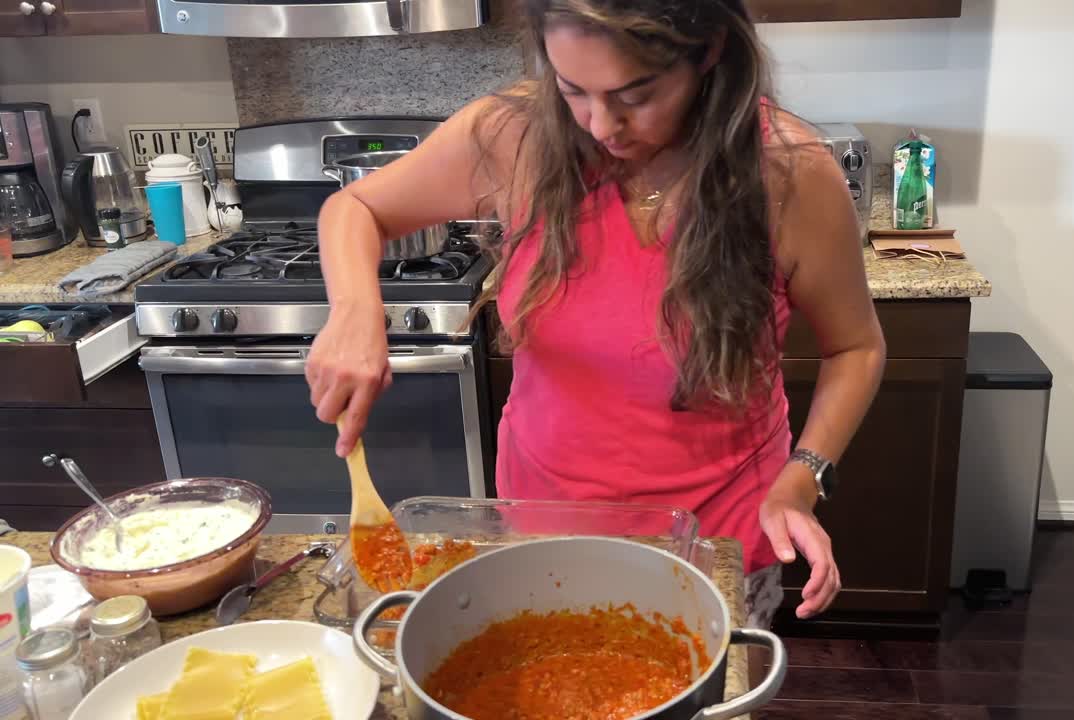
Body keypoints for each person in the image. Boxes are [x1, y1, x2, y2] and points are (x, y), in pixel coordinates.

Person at [304, 0, 886, 628]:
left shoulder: (788, 174)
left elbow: (856, 349)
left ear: (710, 48)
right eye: (573, 89)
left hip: (713, 544)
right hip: (539, 530)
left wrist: (804, 476)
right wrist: (355, 311)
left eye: (635, 95)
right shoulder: (514, 136)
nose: (601, 124)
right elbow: (355, 208)